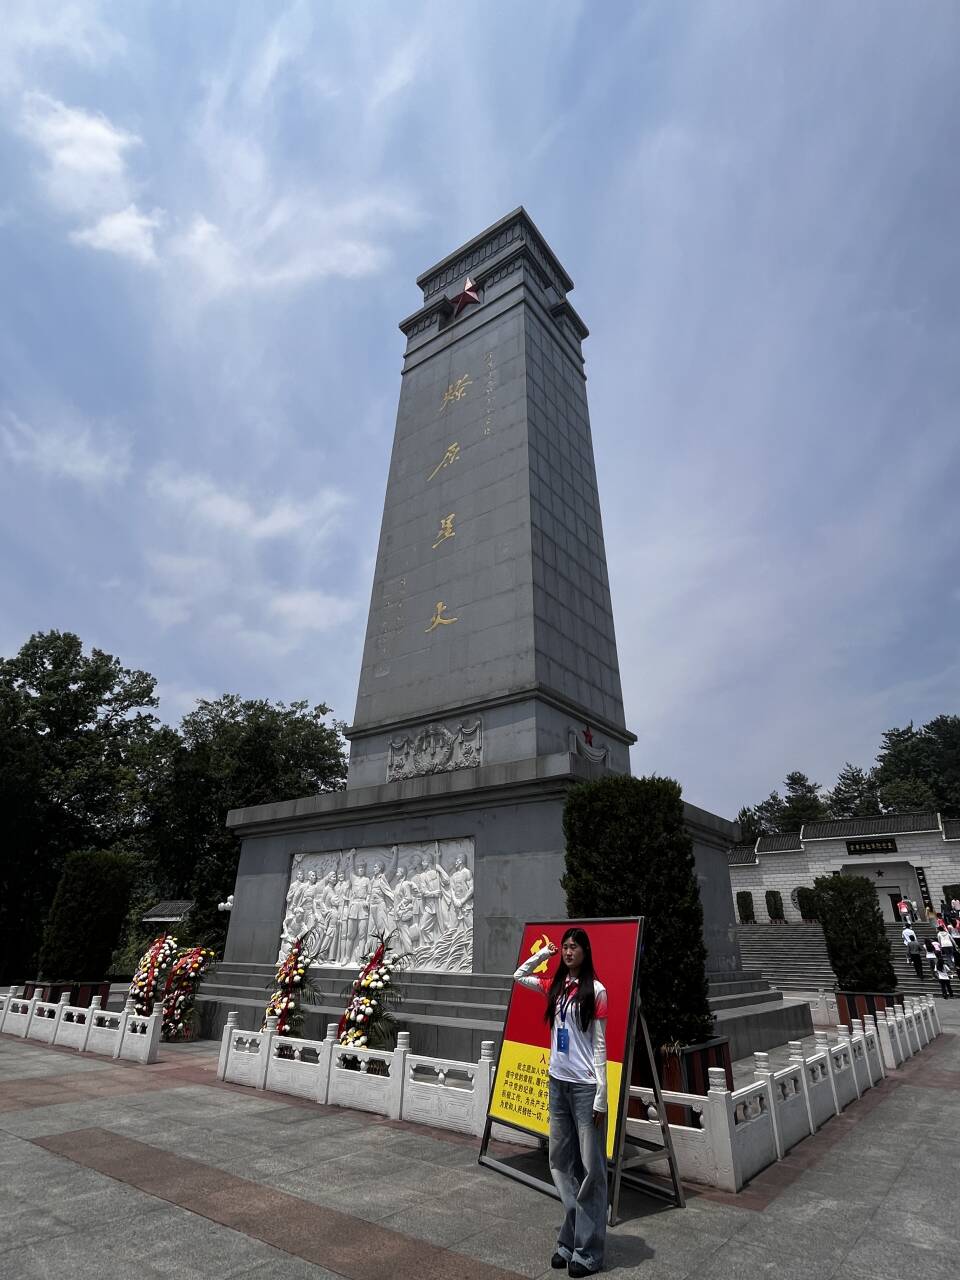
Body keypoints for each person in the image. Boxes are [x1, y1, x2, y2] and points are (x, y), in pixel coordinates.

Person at [513, 929, 608, 1278]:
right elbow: (519, 975)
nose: (568, 952)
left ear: (585, 951)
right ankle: (570, 1238)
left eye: (574, 947)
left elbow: (600, 1045)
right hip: (558, 1082)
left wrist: (601, 1094)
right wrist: (545, 953)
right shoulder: (555, 988)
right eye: (565, 947)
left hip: (584, 1087)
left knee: (591, 1168)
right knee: (560, 1163)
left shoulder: (596, 991)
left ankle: (589, 1251)